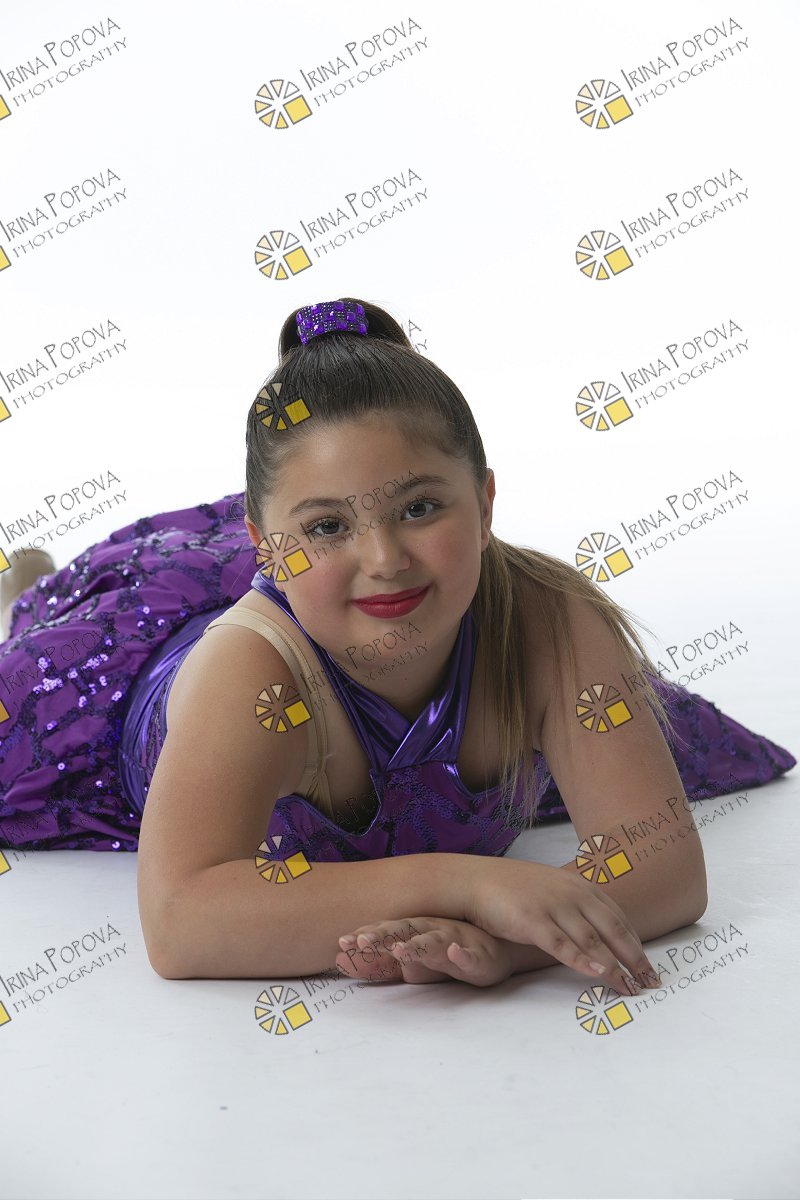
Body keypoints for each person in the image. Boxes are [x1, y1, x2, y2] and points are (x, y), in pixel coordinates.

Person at [0, 298, 794, 996]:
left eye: (419, 508)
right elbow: (181, 924)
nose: (385, 559)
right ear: (264, 547)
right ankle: (27, 589)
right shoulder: (247, 677)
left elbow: (665, 868)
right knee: (55, 646)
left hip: (340, 597)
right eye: (329, 524)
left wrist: (504, 945)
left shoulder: (552, 623)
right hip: (132, 682)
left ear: (485, 502)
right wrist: (470, 886)